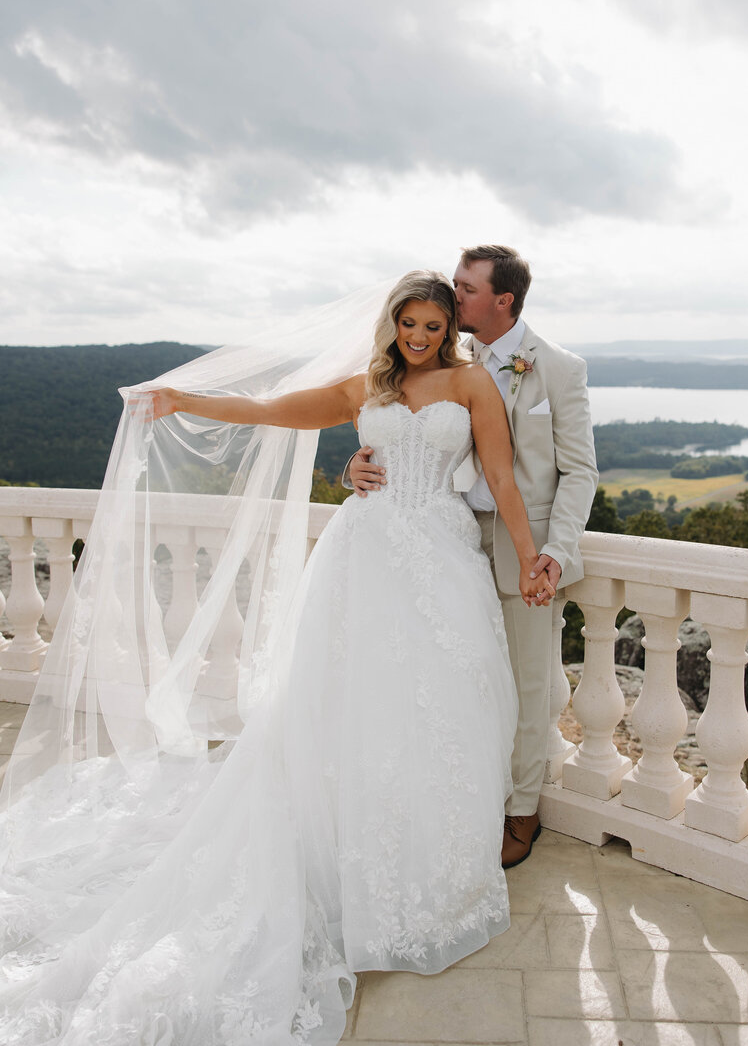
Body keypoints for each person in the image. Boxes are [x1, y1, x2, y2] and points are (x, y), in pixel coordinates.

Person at [0, 271, 553, 1045]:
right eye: (409, 324)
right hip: (365, 560)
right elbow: (266, 413)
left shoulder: (473, 386)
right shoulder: (366, 386)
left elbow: (500, 475)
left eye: (432, 324)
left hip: (442, 560)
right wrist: (181, 400)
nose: (420, 337)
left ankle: (428, 869)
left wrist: (531, 558)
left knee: (443, 711)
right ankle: (345, 863)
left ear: (449, 326)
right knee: (349, 708)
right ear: (391, 322)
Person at [348, 247, 598, 869]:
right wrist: (357, 465)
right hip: (450, 533)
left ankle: (522, 811)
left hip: (524, 542)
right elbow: (402, 431)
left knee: (528, 681)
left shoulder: (558, 369)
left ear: (502, 300)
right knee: (453, 676)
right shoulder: (445, 357)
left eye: (464, 289)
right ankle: (463, 799)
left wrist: (553, 554)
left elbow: (580, 472)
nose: (452, 298)